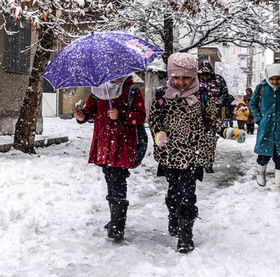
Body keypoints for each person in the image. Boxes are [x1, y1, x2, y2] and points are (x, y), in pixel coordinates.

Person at [148, 53, 245, 253]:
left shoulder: (203, 95)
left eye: (186, 78)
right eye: (176, 77)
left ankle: (185, 236)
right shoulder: (161, 95)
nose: (181, 82)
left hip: (194, 154)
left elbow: (212, 121)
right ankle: (173, 216)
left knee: (187, 196)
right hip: (170, 154)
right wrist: (159, 134)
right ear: (170, 76)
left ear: (194, 76)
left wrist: (229, 131)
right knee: (173, 194)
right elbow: (154, 119)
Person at [74, 75, 146, 242]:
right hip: (104, 141)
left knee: (118, 178)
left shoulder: (132, 91)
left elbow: (140, 116)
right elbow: (90, 111)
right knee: (109, 177)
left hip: (123, 143)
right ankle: (115, 217)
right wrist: (83, 115)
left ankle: (118, 225)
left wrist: (121, 115)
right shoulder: (98, 90)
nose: (116, 76)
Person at [249, 64, 280, 192]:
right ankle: (260, 172)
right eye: (272, 79)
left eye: (278, 79)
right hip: (266, 127)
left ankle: (279, 185)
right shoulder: (261, 88)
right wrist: (259, 118)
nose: (275, 82)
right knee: (263, 155)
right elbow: (253, 103)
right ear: (267, 77)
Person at [198, 60, 231, 172]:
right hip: (198, 115)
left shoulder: (219, 80)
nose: (205, 77)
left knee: (210, 139)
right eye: (202, 75)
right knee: (198, 139)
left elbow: (224, 93)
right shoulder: (195, 81)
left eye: (207, 74)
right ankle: (198, 162)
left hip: (213, 114)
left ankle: (208, 163)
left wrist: (217, 104)